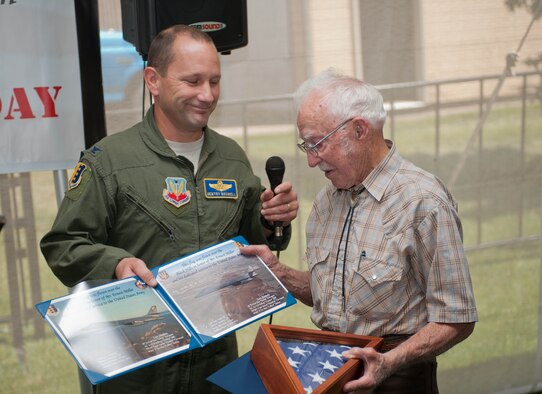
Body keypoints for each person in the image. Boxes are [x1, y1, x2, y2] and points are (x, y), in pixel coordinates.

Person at [40, 24, 298, 394]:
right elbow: (63, 245)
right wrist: (115, 263)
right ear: (153, 80)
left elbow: (253, 242)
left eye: (214, 81)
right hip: (135, 368)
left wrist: (272, 219)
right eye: (192, 81)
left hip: (213, 363)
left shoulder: (231, 159)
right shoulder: (109, 161)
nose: (207, 95)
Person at [240, 69, 478, 393]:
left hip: (398, 379)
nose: (311, 161)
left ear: (359, 130)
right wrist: (277, 270)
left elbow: (456, 317)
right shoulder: (327, 199)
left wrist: (389, 363)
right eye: (305, 145)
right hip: (330, 372)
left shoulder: (423, 202)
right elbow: (332, 295)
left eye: (317, 143)